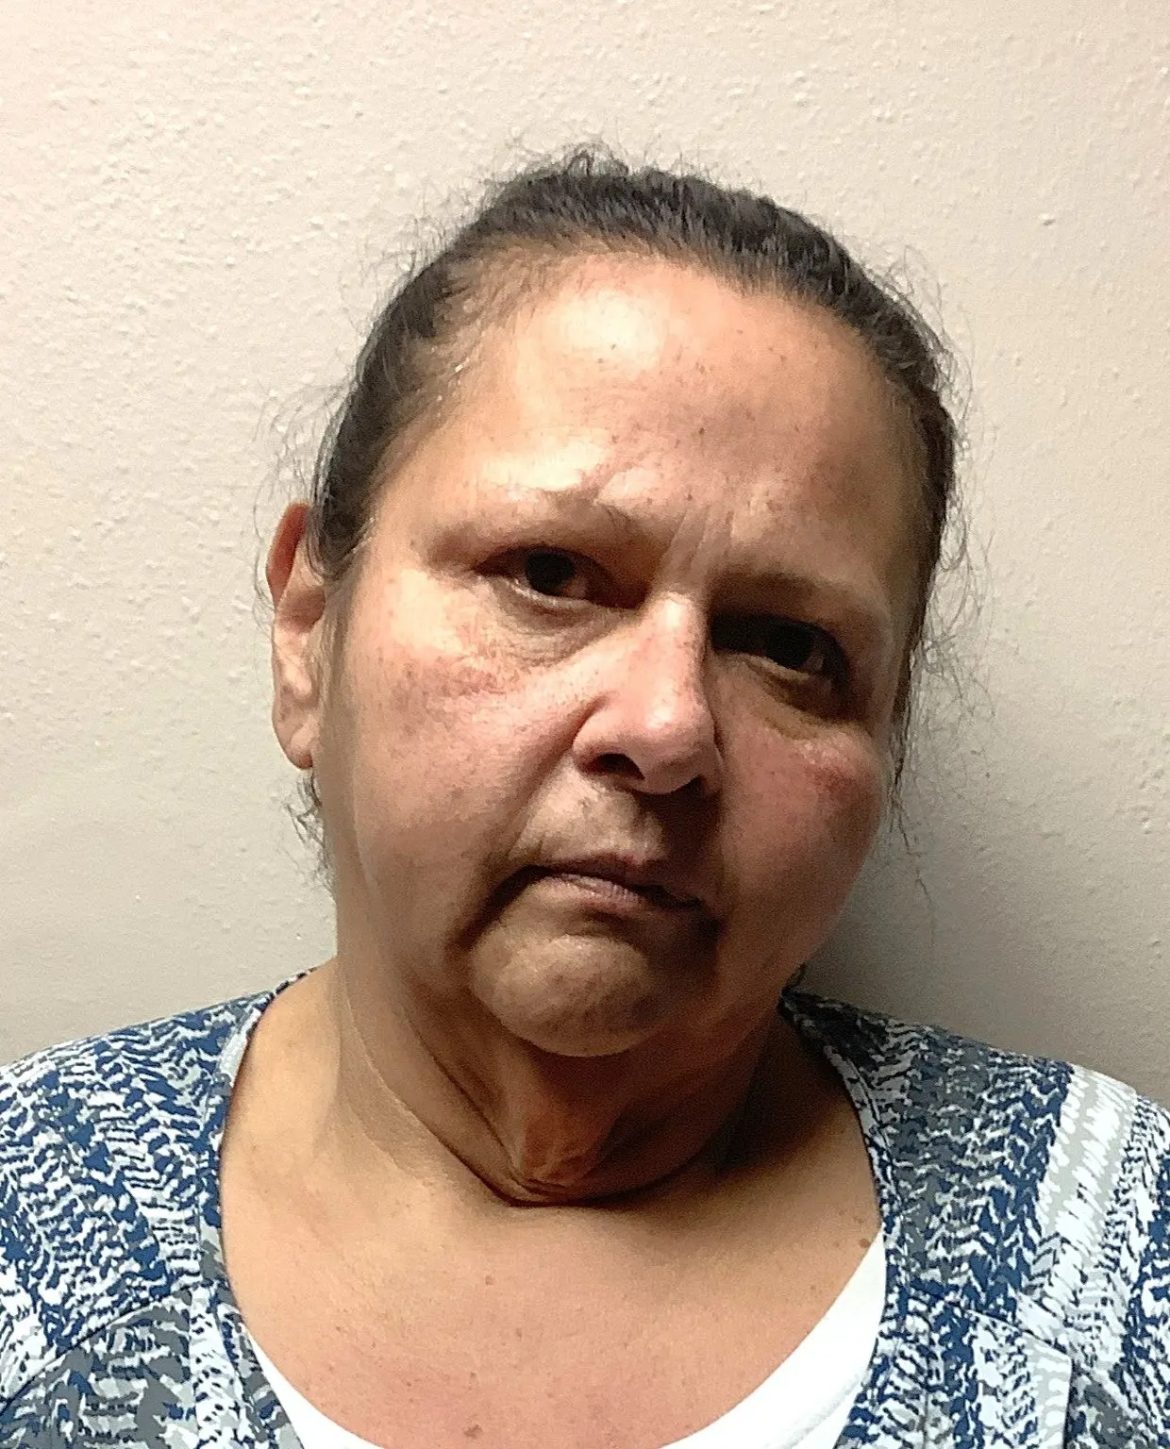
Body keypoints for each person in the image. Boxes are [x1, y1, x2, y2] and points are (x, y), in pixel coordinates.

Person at [1, 148, 1166, 1449]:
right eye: (548, 573)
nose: (665, 729)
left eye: (788, 644)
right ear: (310, 632)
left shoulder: (1113, 1264)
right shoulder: (32, 1237)